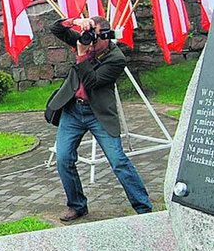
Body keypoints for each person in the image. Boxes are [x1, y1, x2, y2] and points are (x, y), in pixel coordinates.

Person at [46, 15, 153, 222]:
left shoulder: (116, 58)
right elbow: (55, 28)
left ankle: (143, 208)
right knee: (63, 158)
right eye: (89, 37)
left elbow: (92, 81)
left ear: (106, 36)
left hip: (98, 114)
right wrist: (76, 22)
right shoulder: (84, 39)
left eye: (94, 38)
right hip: (73, 111)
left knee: (118, 160)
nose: (90, 43)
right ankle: (77, 205)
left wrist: (82, 56)